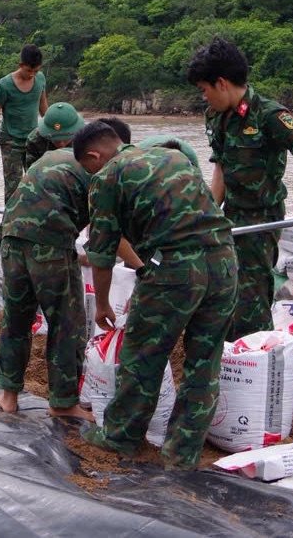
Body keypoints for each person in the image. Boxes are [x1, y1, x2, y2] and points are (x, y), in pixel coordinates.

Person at [72, 121, 238, 469]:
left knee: (143, 354)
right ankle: (183, 452)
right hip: (224, 262)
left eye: (90, 168)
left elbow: (101, 254)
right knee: (204, 362)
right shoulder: (173, 157)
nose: (92, 175)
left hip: (175, 269)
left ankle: (122, 437)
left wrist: (102, 304)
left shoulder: (107, 177)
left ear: (94, 156)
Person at [187, 37, 293, 340]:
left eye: (204, 90)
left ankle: (257, 356)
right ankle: (231, 351)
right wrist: (207, 213)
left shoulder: (268, 115)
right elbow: (220, 167)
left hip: (262, 220)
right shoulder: (215, 116)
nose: (204, 97)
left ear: (221, 83)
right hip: (229, 215)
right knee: (220, 287)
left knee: (252, 296)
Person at [0, 140, 93, 421]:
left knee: (16, 319)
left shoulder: (51, 158)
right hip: (50, 245)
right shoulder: (99, 170)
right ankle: (62, 401)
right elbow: (111, 234)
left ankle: (8, 396)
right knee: (65, 321)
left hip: (12, 238)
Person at [0, 45, 47, 248]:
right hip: (11, 140)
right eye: (29, 70)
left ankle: (34, 227)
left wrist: (53, 130)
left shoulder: (40, 79)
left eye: (36, 71)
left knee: (37, 184)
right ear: (21, 65)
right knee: (12, 188)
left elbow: (43, 106)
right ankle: (8, 230)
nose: (32, 75)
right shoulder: (4, 85)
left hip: (34, 139)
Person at [23, 102, 84, 168]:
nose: (61, 144)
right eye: (56, 140)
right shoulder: (34, 140)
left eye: (66, 139)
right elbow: (31, 173)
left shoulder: (85, 138)